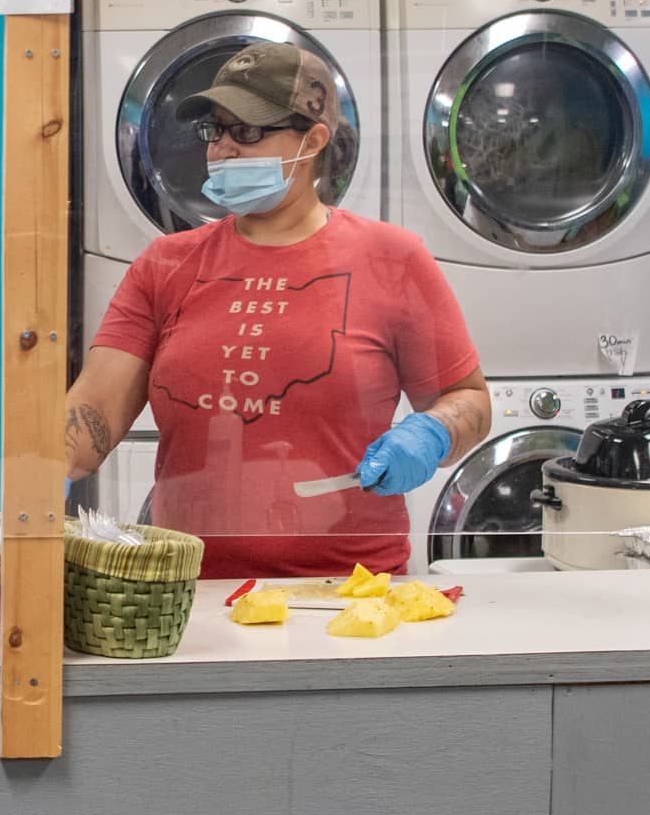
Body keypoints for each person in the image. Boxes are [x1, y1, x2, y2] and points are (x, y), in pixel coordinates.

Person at [62, 39, 488, 577]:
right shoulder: (165, 265)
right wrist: (41, 468)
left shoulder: (392, 260)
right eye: (214, 131)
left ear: (312, 140)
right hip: (186, 597)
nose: (221, 150)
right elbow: (95, 410)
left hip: (347, 594)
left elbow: (469, 400)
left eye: (246, 132)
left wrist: (433, 432)